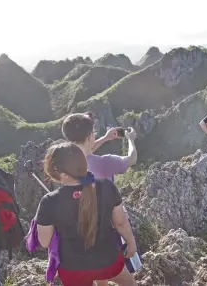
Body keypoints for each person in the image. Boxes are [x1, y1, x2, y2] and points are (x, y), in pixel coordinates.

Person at [34, 142, 138, 286]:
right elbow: (120, 222)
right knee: (128, 282)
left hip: (72, 268)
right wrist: (131, 244)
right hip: (108, 259)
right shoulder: (107, 186)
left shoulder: (49, 201)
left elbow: (44, 242)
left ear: (61, 173)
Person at [61, 112, 139, 286]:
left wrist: (104, 138)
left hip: (78, 237)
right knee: (127, 282)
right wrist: (131, 139)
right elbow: (131, 159)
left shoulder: (65, 166)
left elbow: (82, 153)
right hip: (105, 235)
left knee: (99, 278)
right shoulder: (105, 162)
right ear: (90, 136)